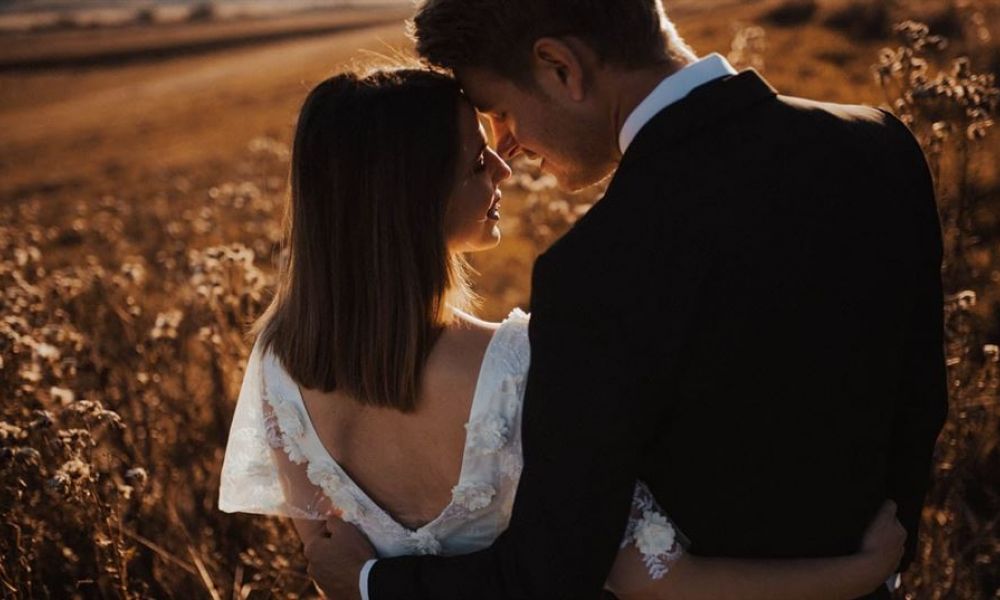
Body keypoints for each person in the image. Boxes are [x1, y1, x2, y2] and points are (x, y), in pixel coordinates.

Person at [299, 1, 949, 599]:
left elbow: (552, 572)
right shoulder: (877, 142)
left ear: (561, 67)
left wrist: (366, 581)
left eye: (501, 111)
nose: (509, 145)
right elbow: (922, 401)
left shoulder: (594, 270)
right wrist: (876, 572)